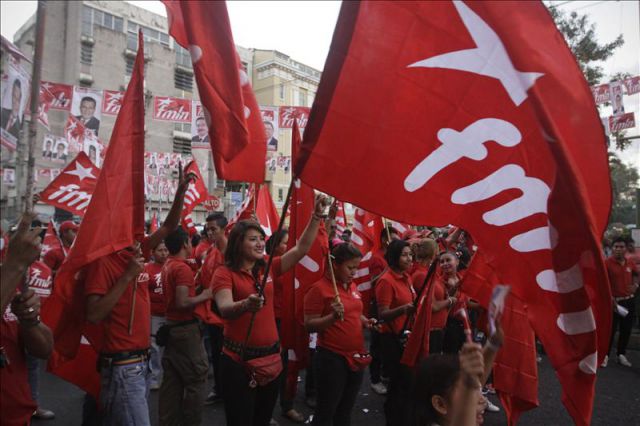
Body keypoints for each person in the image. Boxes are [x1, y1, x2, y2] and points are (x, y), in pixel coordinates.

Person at [83, 165, 193, 425]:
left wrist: (179, 194)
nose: (137, 228)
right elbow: (94, 314)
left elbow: (169, 226)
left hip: (139, 363)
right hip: (122, 366)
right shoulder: (104, 262)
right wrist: (127, 277)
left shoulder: (138, 250)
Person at [211, 194, 328, 426]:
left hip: (271, 360)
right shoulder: (224, 274)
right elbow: (224, 308)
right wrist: (245, 304)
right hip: (239, 363)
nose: (260, 243)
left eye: (261, 239)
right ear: (238, 243)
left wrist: (316, 217)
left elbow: (301, 249)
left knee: (262, 419)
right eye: (253, 239)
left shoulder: (269, 267)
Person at [304, 243, 375, 426]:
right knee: (326, 411)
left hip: (356, 356)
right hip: (331, 358)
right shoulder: (318, 289)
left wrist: (364, 320)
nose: (354, 272)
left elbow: (353, 311)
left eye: (356, 268)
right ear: (335, 265)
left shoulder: (351, 286)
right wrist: (332, 317)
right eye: (350, 267)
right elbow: (309, 325)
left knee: (345, 410)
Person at [1, 213, 54, 425]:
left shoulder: (10, 286)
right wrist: (16, 264)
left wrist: (30, 320)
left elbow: (44, 349)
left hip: (17, 416)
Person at [159, 227, 213, 426]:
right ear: (184, 244)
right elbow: (182, 302)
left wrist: (196, 290)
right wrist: (205, 295)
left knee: (172, 381)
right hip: (184, 330)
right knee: (197, 379)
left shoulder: (169, 264)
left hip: (172, 327)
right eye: (190, 242)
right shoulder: (181, 268)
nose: (192, 245)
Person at [375, 239, 416, 426]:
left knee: (406, 384)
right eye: (405, 255)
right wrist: (403, 310)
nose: (410, 258)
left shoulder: (407, 277)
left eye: (410, 254)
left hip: (406, 337)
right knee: (397, 385)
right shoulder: (386, 281)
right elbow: (382, 314)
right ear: (394, 257)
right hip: (392, 339)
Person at [200, 212, 229, 405]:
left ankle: (228, 390)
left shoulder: (231, 254)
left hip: (225, 310)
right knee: (217, 353)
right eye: (208, 229)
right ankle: (220, 389)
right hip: (211, 310)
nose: (210, 233)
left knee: (227, 354)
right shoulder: (210, 251)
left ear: (224, 230)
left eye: (214, 229)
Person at [369, 225, 400, 396]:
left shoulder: (394, 257)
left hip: (392, 306)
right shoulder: (377, 258)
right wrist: (388, 269)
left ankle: (385, 373)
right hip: (379, 306)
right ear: (384, 240)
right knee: (378, 344)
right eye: (394, 240)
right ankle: (374, 379)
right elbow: (373, 282)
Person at [602, 237, 638, 368]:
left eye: (621, 247)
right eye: (616, 246)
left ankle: (621, 355)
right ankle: (605, 355)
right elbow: (602, 283)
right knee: (610, 330)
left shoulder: (630, 263)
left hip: (629, 301)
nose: (618, 249)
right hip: (613, 303)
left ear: (626, 248)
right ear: (612, 248)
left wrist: (635, 285)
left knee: (626, 329)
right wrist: (610, 298)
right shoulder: (606, 263)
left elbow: (636, 273)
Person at [145, 241, 169, 390]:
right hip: (153, 314)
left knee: (167, 347)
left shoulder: (172, 266)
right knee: (154, 347)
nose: (164, 253)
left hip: (169, 313)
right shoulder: (147, 268)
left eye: (166, 250)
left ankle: (167, 376)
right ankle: (154, 376)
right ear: (153, 252)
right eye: (160, 250)